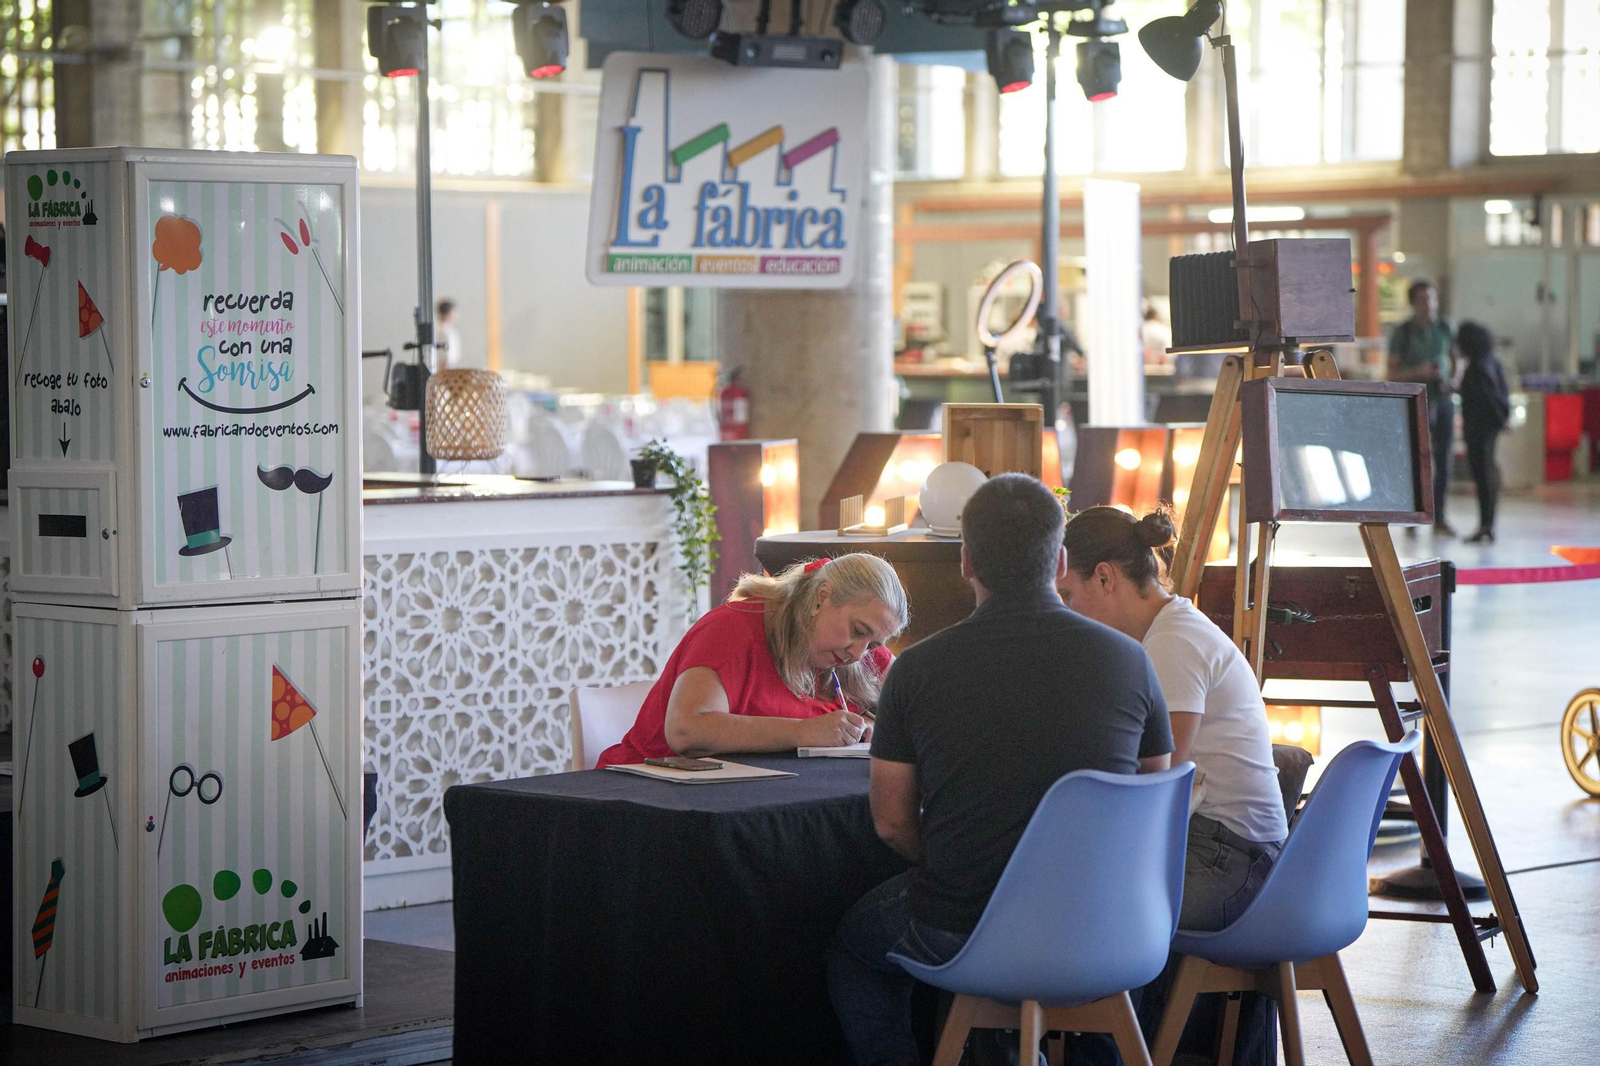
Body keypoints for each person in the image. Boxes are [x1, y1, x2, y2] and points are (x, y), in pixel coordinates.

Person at [827, 475, 1173, 1066]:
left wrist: (956, 866)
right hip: (1110, 924)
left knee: (855, 954)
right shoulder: (1131, 661)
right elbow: (1153, 794)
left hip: (966, 928)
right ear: (1060, 559)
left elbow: (889, 823)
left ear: (965, 561)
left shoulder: (917, 670)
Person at [1059, 505, 1287, 1066]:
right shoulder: (1164, 633)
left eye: (1067, 593)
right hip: (1221, 847)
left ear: (1106, 577)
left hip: (1230, 858)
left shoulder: (1172, 644)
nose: (1066, 611)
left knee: (1080, 915)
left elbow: (1154, 786)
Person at [594, 555, 907, 767]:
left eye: (872, 645)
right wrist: (802, 731)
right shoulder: (733, 628)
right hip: (651, 800)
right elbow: (686, 731)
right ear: (822, 596)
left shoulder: (857, 652)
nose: (858, 653)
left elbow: (915, 715)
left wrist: (869, 726)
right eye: (857, 631)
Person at [1389, 280, 1459, 536]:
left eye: (1432, 299)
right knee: (1417, 458)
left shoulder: (1445, 327)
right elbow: (1392, 372)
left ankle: (1440, 516)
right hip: (1415, 400)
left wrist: (1453, 378)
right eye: (1422, 300)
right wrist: (1418, 371)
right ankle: (1414, 515)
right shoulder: (1403, 333)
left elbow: (1455, 358)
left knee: (1444, 459)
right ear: (1413, 304)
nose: (1428, 305)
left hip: (1442, 398)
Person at [1456, 321, 1511, 544]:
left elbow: (1484, 397)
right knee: (1487, 475)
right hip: (1490, 427)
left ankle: (1485, 525)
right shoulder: (1492, 362)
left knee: (1482, 476)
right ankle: (1488, 524)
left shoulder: (1476, 368)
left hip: (1478, 428)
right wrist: (1503, 420)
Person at [435, 298, 462, 372]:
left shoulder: (437, 328)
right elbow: (445, 358)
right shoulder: (446, 332)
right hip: (444, 371)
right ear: (449, 313)